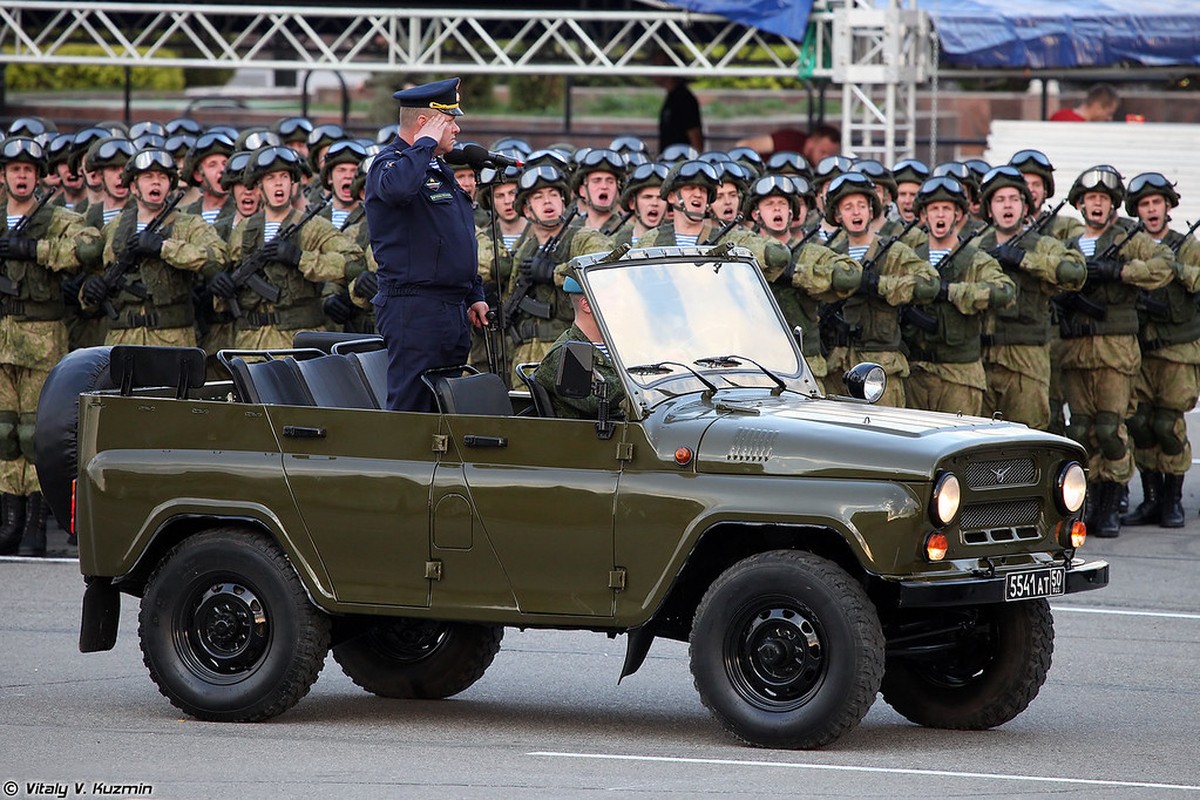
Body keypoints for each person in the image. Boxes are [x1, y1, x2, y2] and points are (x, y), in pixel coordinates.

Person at [1058, 165, 1174, 537]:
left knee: (1110, 428)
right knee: (1080, 430)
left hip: (1115, 351)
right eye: (1091, 198)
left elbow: (1163, 266)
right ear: (1080, 203)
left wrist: (1119, 272)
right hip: (1076, 351)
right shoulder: (1072, 242)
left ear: (1113, 205)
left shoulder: (1130, 237)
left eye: (1104, 199)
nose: (1097, 205)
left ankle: (1111, 502)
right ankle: (1086, 500)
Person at [364, 77, 489, 412]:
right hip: (414, 308)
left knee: (446, 406)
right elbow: (397, 190)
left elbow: (455, 238)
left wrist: (473, 293)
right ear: (425, 124)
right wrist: (422, 145)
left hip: (450, 308)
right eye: (449, 122)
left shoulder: (438, 169)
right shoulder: (389, 163)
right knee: (413, 407)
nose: (456, 130)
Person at [0, 136, 99, 556]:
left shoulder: (53, 217)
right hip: (3, 335)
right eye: (14, 169)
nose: (21, 176)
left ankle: (37, 523)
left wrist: (32, 248)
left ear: (39, 176)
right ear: (3, 175)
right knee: (4, 432)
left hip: (41, 335)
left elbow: (89, 246)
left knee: (33, 434)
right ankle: (10, 518)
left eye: (28, 169)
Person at [213, 145, 364, 350]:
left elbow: (353, 261)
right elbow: (228, 268)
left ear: (292, 182)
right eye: (270, 178)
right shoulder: (244, 229)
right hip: (250, 343)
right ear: (258, 186)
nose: (278, 184)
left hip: (297, 342)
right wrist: (221, 284)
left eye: (284, 177)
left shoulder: (313, 226)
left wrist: (300, 258)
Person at [79, 148, 228, 349]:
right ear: (134, 186)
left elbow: (216, 257)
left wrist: (163, 247)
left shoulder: (190, 225)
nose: (156, 182)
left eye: (162, 177)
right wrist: (89, 289)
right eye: (148, 177)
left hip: (172, 340)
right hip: (122, 339)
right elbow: (93, 272)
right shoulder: (114, 227)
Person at [974, 165, 1085, 430]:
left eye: (1014, 199)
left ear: (1025, 207)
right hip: (981, 357)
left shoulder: (1040, 244)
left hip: (1026, 358)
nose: (1007, 206)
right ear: (989, 209)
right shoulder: (976, 245)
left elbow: (1075, 272)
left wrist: (1024, 259)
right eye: (999, 200)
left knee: (1026, 434)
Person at [1120, 172, 1200, 529]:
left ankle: (1173, 499)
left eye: (1156, 203)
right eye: (1144, 205)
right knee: (1140, 423)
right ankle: (1151, 497)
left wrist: (1170, 266)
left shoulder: (1186, 245)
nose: (1151, 210)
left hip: (1177, 350)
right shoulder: (1131, 243)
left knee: (1168, 425)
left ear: (1168, 207)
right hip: (1139, 351)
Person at [819, 172, 940, 407]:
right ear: (837, 215)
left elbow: (930, 283)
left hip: (882, 369)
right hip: (839, 366)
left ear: (871, 210)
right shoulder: (829, 253)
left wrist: (879, 285)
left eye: (861, 206)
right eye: (848, 207)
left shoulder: (893, 251)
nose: (856, 212)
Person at [903, 176, 1014, 416]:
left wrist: (953, 291)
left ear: (959, 216)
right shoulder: (909, 257)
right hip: (916, 372)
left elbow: (1004, 291)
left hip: (960, 374)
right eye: (934, 209)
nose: (940, 215)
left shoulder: (974, 259)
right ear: (923, 216)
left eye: (947, 209)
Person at [745, 173, 861, 394]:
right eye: (769, 204)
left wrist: (795, 274)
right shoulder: (743, 248)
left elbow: (850, 275)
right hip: (756, 364)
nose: (777, 209)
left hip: (804, 364)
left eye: (783, 204)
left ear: (791, 212)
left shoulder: (810, 252)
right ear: (755, 213)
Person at [532, 275, 625, 419]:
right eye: (613, 298)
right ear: (587, 305)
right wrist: (638, 378)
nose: (622, 304)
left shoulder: (619, 344)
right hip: (593, 437)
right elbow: (595, 401)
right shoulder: (565, 353)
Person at [735, 123, 841, 164]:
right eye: (822, 152)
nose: (825, 158)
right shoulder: (790, 139)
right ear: (810, 143)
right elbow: (743, 146)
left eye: (830, 155)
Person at [655, 70, 703, 154]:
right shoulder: (671, 97)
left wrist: (695, 162)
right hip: (669, 158)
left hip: (680, 159)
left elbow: (695, 135)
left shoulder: (684, 98)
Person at [1050, 83, 1119, 122]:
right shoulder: (1085, 128)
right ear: (1097, 106)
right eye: (1109, 113)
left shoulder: (1059, 115)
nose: (1109, 118)